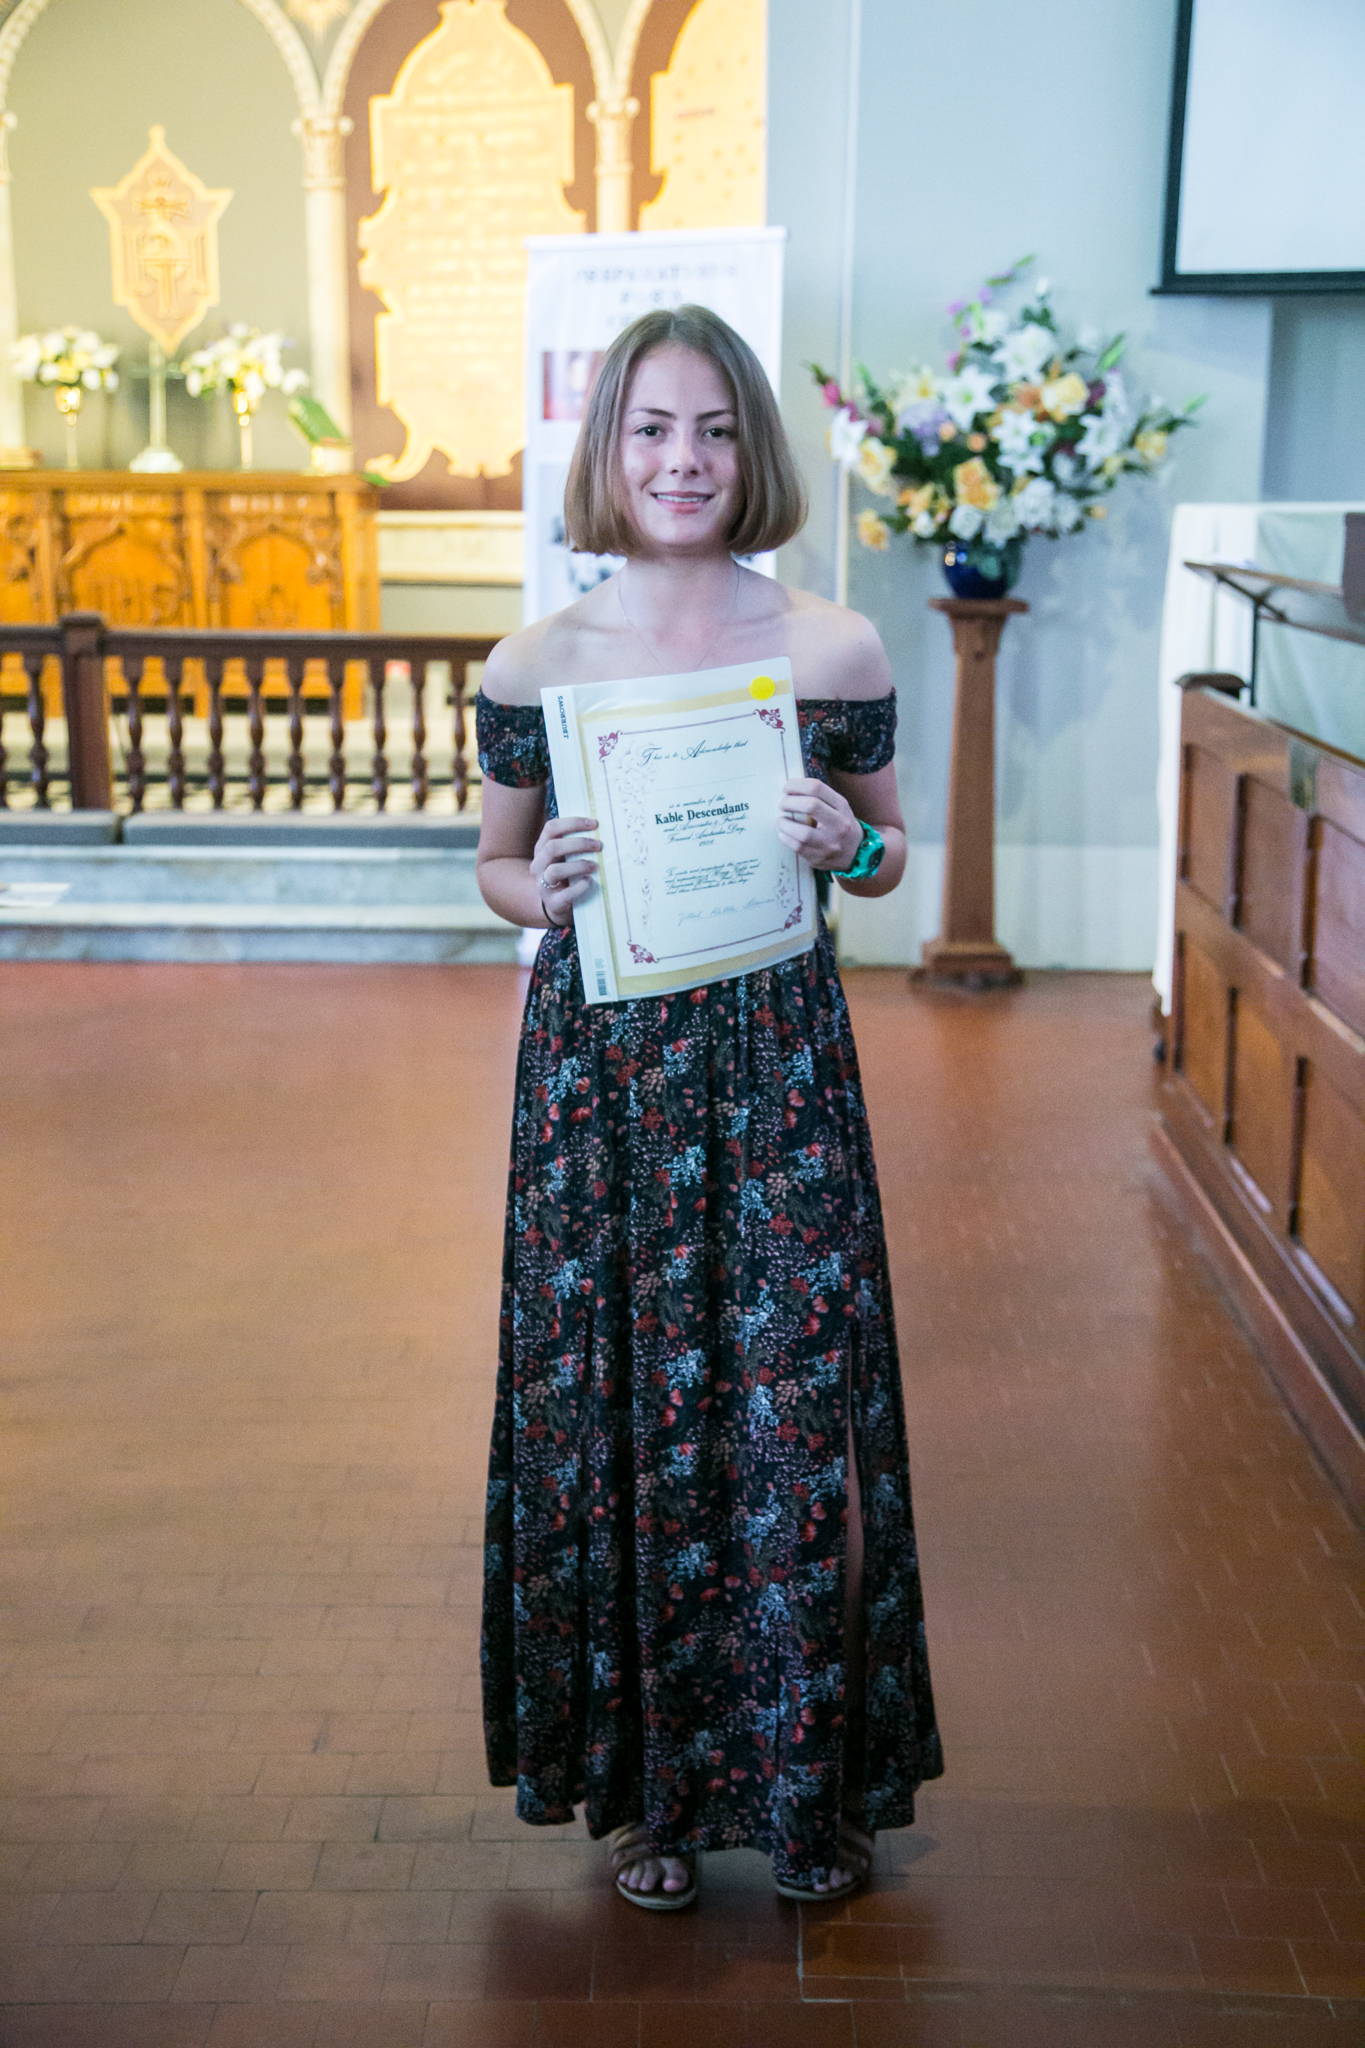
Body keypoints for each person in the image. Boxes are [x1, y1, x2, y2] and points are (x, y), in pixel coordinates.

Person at [476, 305, 942, 1908]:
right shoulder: (537, 664)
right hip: (600, 1087)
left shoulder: (832, 649)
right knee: (622, 1421)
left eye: (716, 430)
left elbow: (889, 856)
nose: (684, 460)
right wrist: (536, 884)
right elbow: (494, 869)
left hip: (778, 1071)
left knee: (794, 1420)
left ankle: (807, 1794)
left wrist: (846, 844)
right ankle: (652, 1802)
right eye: (652, 429)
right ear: (607, 450)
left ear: (753, 450)